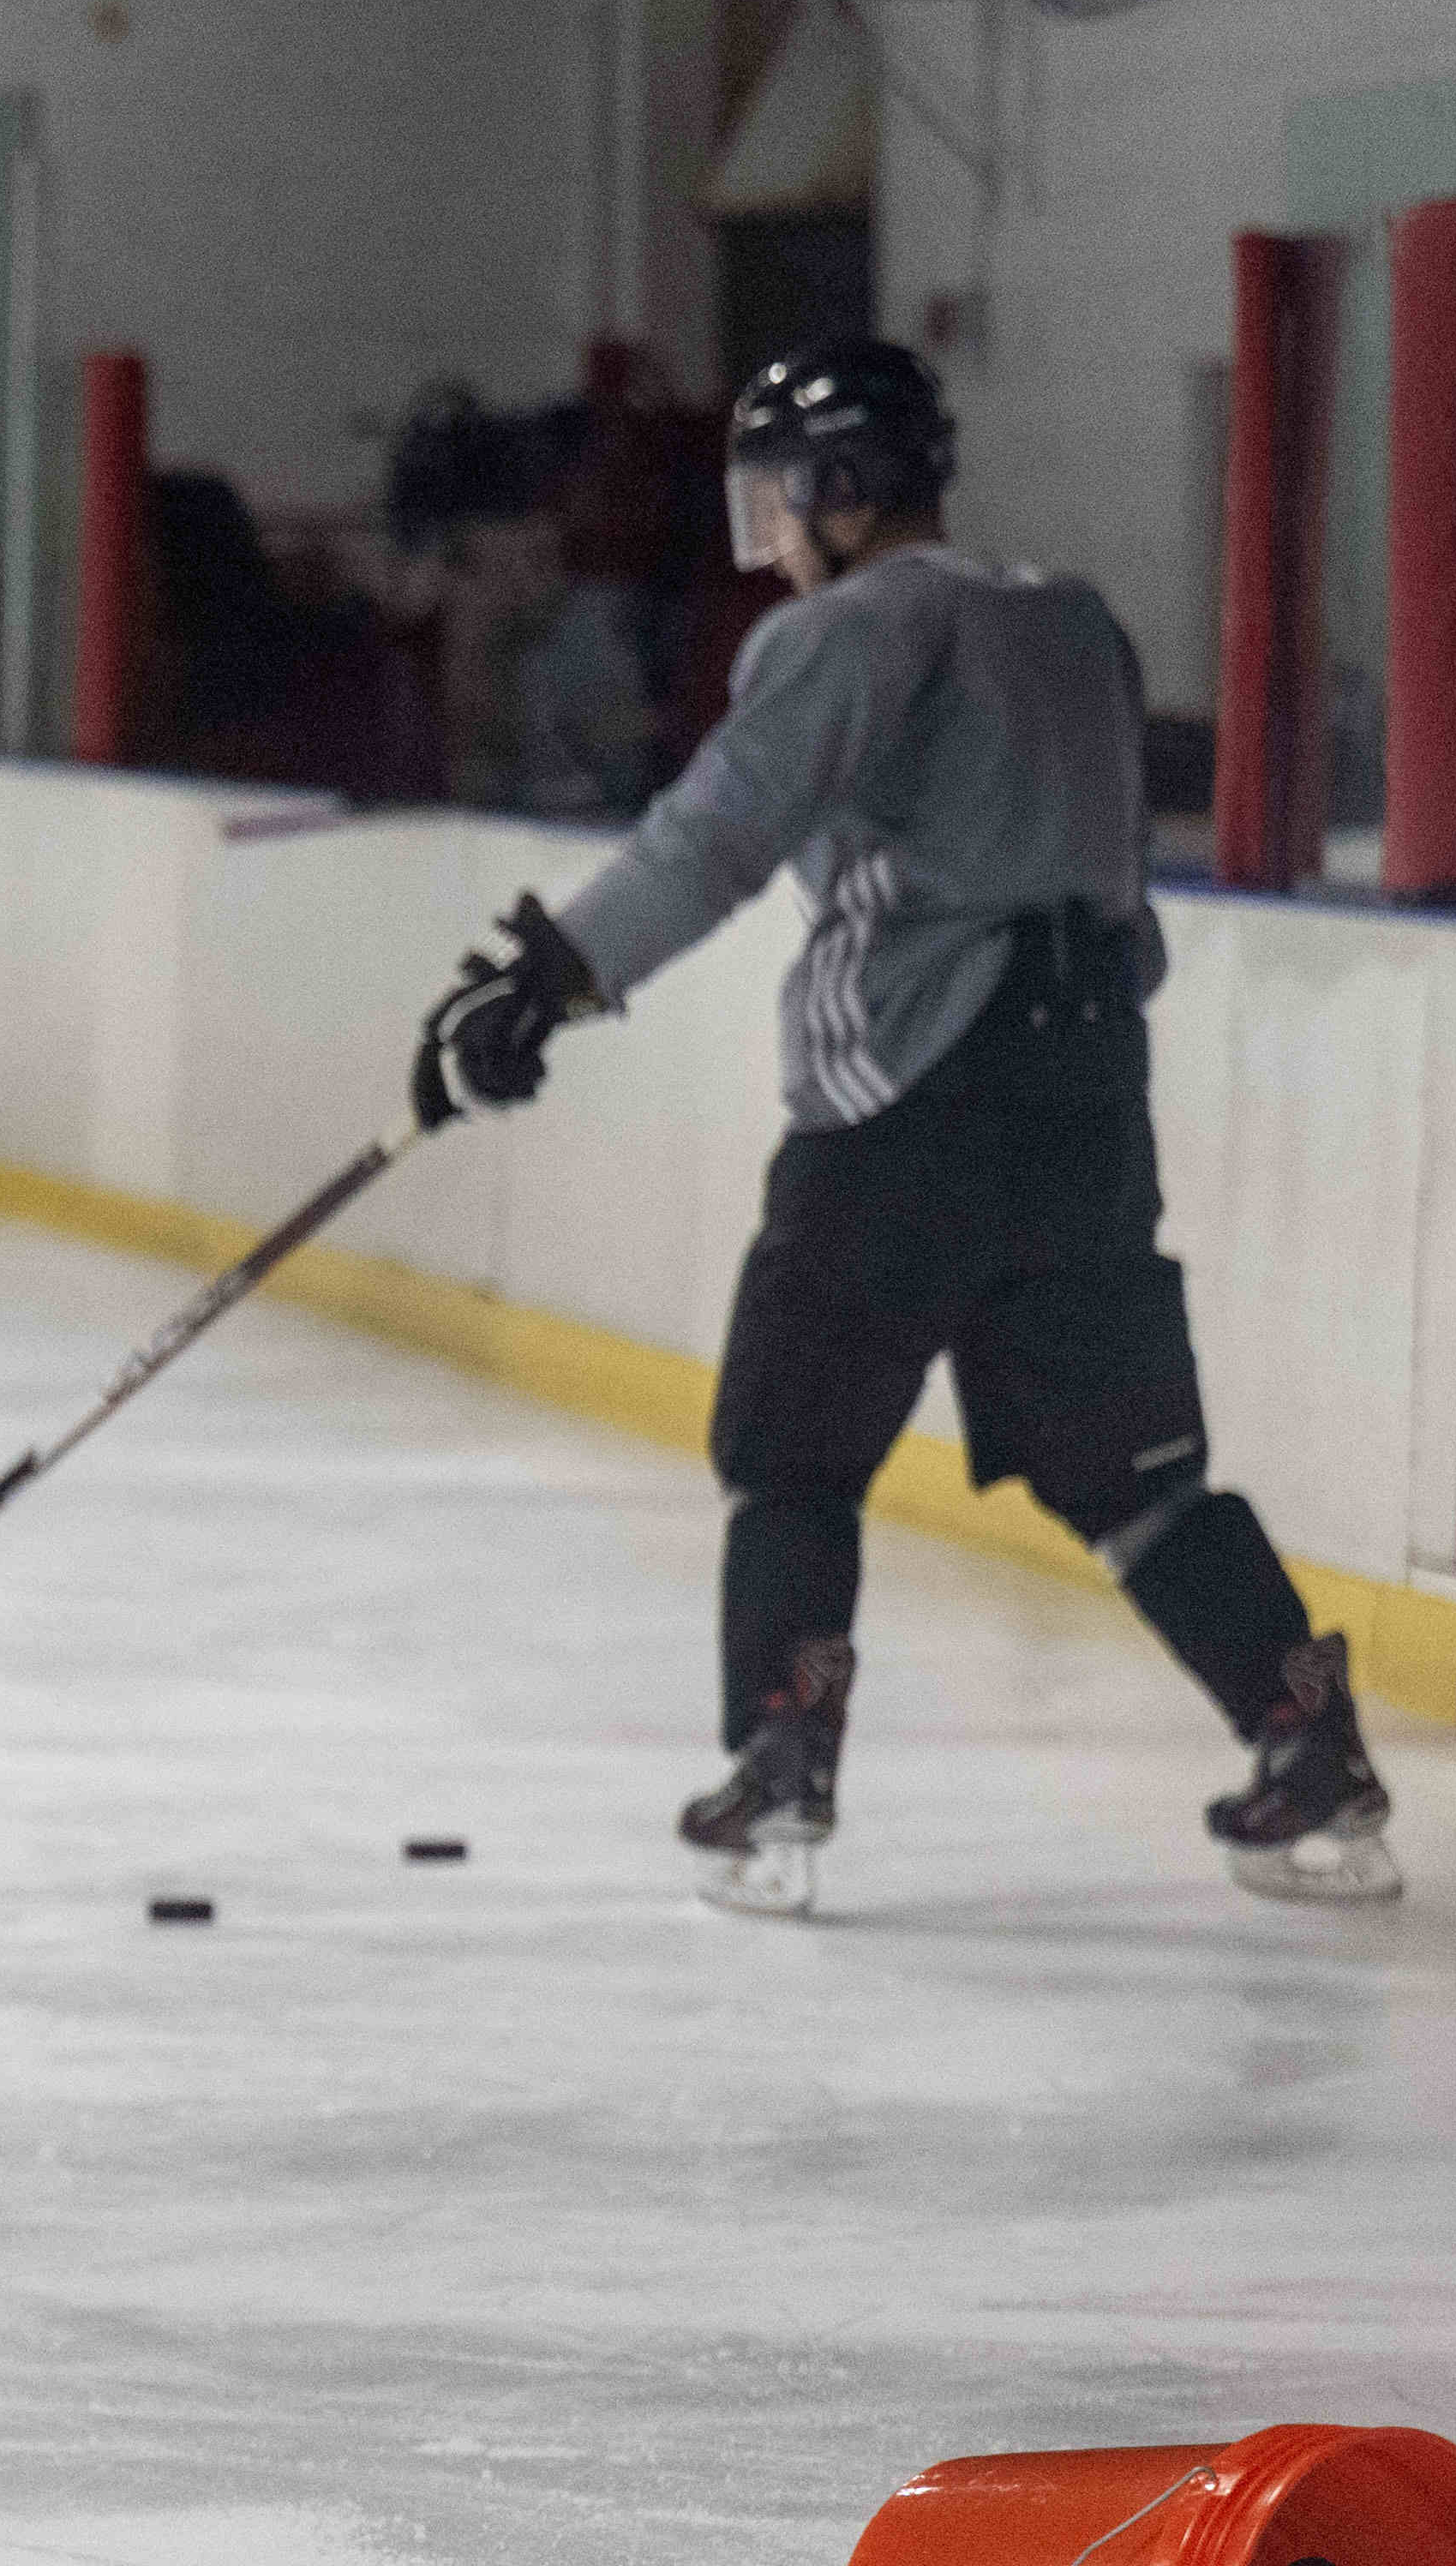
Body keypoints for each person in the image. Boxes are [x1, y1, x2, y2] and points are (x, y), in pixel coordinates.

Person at [410, 336, 1393, 1915]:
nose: (772, 540)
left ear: (846, 490)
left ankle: (783, 1768)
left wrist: (555, 976)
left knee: (789, 1448)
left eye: (780, 501)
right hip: (1085, 1093)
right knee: (1135, 1472)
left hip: (906, 1101)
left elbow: (714, 838)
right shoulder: (1074, 619)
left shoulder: (854, 633)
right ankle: (1310, 1746)